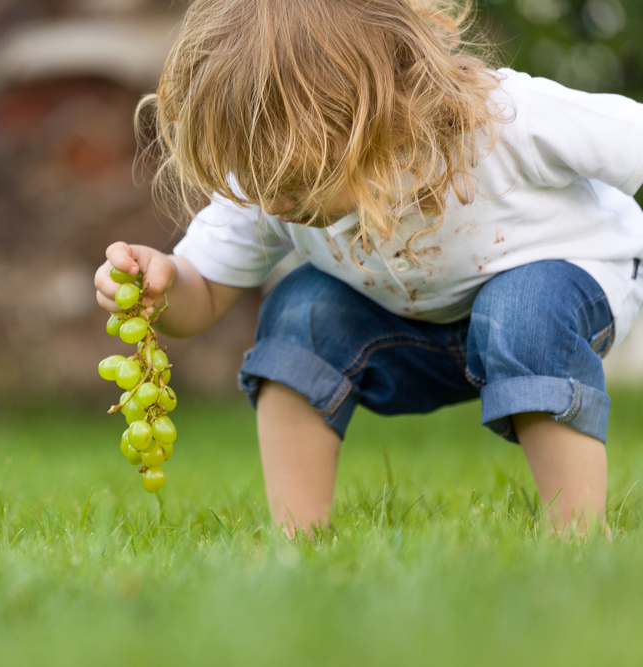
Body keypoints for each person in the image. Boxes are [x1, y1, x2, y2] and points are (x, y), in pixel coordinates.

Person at [94, 0, 643, 536]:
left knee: (521, 306)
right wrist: (161, 286)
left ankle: (575, 534)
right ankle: (298, 539)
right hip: (413, 328)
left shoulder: (505, 120)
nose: (276, 206)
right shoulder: (271, 181)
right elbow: (206, 290)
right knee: (298, 310)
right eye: (259, 182)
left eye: (295, 183)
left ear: (379, 115)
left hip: (563, 290)